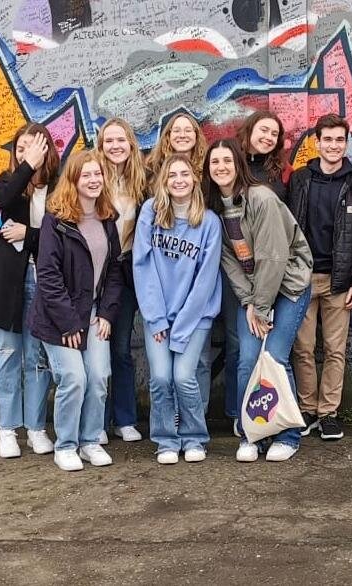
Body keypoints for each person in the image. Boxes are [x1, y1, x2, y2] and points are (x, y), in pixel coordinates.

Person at [203, 139, 312, 462]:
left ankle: (288, 435)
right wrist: (249, 302)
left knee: (275, 357)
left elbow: (273, 257)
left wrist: (260, 309)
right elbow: (229, 263)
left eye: (227, 161)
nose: (221, 167)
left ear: (238, 164)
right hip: (254, 293)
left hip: (288, 286)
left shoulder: (261, 198)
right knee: (247, 359)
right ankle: (253, 434)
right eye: (214, 162)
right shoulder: (215, 209)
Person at [0, 122, 60, 458]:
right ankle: (7, 429)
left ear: (47, 150)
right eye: (21, 148)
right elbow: (2, 200)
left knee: (37, 358)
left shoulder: (60, 186)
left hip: (44, 281)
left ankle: (36, 428)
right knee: (6, 354)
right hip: (5, 281)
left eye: (33, 147)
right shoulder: (9, 182)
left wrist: (29, 234)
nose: (26, 153)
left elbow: (63, 234)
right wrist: (28, 165)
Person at [28, 150, 123, 471]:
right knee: (73, 377)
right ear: (73, 179)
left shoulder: (107, 217)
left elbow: (114, 271)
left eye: (98, 174)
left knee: (98, 376)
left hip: (94, 313)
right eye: (87, 175)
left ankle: (90, 441)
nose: (94, 180)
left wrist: (107, 313)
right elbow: (48, 276)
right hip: (59, 318)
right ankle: (66, 445)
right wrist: (69, 324)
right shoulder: (55, 220)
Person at [133, 154, 222, 464]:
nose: (179, 180)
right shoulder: (150, 212)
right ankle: (166, 440)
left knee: (184, 376)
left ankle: (194, 437)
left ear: (195, 180)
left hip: (195, 317)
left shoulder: (209, 222)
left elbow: (206, 280)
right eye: (172, 175)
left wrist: (181, 327)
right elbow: (142, 266)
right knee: (160, 377)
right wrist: (157, 319)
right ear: (164, 181)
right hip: (157, 315)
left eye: (185, 174)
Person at [287, 114, 352, 441]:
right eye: (328, 140)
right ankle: (308, 410)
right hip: (303, 279)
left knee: (335, 350)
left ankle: (329, 413)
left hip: (340, 280)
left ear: (346, 143)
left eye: (340, 140)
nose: (334, 146)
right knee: (303, 348)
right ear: (316, 142)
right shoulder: (300, 179)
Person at [146, 112, 218, 416]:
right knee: (165, 373)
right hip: (163, 289)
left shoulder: (208, 172)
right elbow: (144, 259)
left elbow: (206, 271)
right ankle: (171, 422)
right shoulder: (153, 182)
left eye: (189, 130)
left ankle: (193, 419)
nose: (183, 134)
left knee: (195, 363)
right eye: (176, 130)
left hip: (198, 282)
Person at [96, 117, 147, 444]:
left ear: (130, 144)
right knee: (96, 350)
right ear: (101, 146)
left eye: (120, 140)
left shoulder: (140, 181)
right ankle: (97, 421)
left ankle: (125, 419)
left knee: (121, 348)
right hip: (94, 272)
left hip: (126, 271)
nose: (115, 146)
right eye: (109, 141)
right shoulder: (92, 177)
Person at [236, 110, 289, 200]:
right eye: (264, 130)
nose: (269, 137)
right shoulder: (231, 163)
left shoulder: (284, 169)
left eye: (274, 134)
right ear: (249, 130)